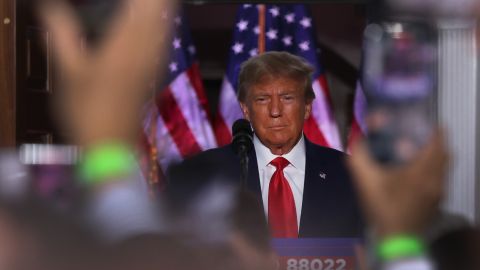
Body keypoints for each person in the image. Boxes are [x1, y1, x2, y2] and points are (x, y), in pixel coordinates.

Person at [167, 51, 363, 238]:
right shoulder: (206, 174)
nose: (275, 111)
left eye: (287, 98)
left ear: (307, 107)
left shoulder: (349, 174)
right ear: (245, 109)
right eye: (262, 99)